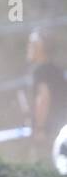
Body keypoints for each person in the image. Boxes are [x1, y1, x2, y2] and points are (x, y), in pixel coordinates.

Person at [25, 30, 67, 159]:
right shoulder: (57, 70)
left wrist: (40, 128)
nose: (28, 48)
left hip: (48, 130)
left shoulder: (40, 71)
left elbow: (43, 98)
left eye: (32, 45)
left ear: (40, 48)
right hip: (61, 127)